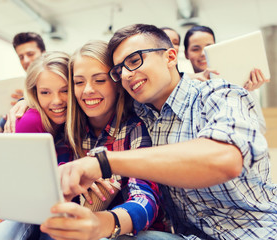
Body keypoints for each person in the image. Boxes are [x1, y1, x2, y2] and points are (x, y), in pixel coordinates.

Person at [50, 24, 277, 240]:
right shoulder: (139, 112)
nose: (127, 74)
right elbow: (66, 98)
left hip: (255, 231)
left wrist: (101, 162)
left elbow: (224, 159)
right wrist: (26, 104)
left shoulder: (222, 94)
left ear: (170, 57)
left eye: (135, 60)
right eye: (119, 70)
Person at [40, 40, 162, 240]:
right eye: (79, 82)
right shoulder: (68, 131)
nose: (87, 90)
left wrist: (103, 222)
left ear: (117, 84)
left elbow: (146, 198)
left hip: (123, 230)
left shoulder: (135, 129)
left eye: (99, 80)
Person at [0, 51, 71, 240]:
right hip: (0, 214)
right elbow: (18, 188)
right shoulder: (31, 120)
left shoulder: (76, 123)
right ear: (35, 93)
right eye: (45, 92)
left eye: (65, 90)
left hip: (37, 209)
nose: (57, 100)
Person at [183, 25, 268, 133]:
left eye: (208, 47)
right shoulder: (185, 87)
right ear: (186, 54)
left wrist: (245, 93)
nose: (203, 53)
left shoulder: (236, 82)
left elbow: (260, 127)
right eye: (196, 49)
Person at [0, 32, 46, 133]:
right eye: (21, 57)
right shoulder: (19, 88)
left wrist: (30, 100)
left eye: (30, 54)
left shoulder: (56, 81)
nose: (25, 60)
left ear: (43, 53)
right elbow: (1, 127)